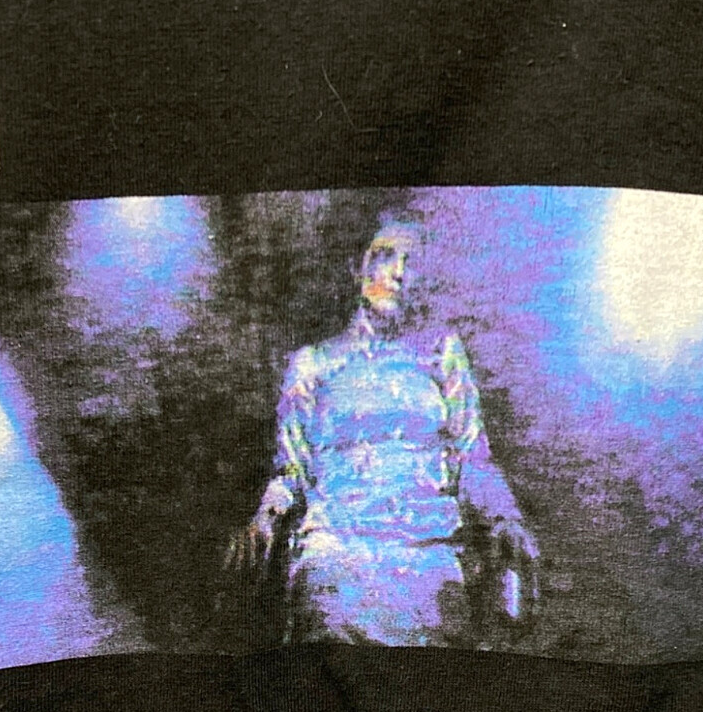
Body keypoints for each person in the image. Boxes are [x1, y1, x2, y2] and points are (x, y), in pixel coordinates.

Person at [228, 219, 539, 645]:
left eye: (411, 262)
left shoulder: (440, 354)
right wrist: (265, 518)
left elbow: (473, 458)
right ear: (356, 269)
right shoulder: (314, 363)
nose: (398, 273)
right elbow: (291, 470)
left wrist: (506, 518)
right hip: (336, 550)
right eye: (384, 257)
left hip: (430, 555)